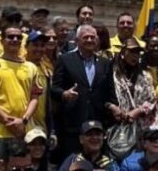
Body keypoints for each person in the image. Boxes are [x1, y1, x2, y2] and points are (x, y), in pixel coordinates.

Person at [51, 25, 122, 160]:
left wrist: (113, 106)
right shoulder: (65, 60)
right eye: (85, 37)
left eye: (92, 37)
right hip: (73, 125)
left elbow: (110, 93)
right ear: (77, 40)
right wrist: (64, 94)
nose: (89, 40)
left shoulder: (105, 63)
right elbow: (54, 89)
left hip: (97, 125)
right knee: (72, 164)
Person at [0, 25, 41, 158]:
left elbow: (35, 98)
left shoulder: (31, 68)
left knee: (22, 170)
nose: (15, 39)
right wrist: (7, 120)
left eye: (18, 37)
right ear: (1, 41)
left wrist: (23, 121)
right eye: (10, 37)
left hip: (23, 132)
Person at [110, 38, 158, 158]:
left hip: (141, 124)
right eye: (132, 52)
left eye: (137, 53)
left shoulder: (145, 75)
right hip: (119, 122)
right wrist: (114, 108)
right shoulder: (113, 74)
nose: (135, 56)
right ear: (123, 52)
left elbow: (152, 99)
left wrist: (138, 111)